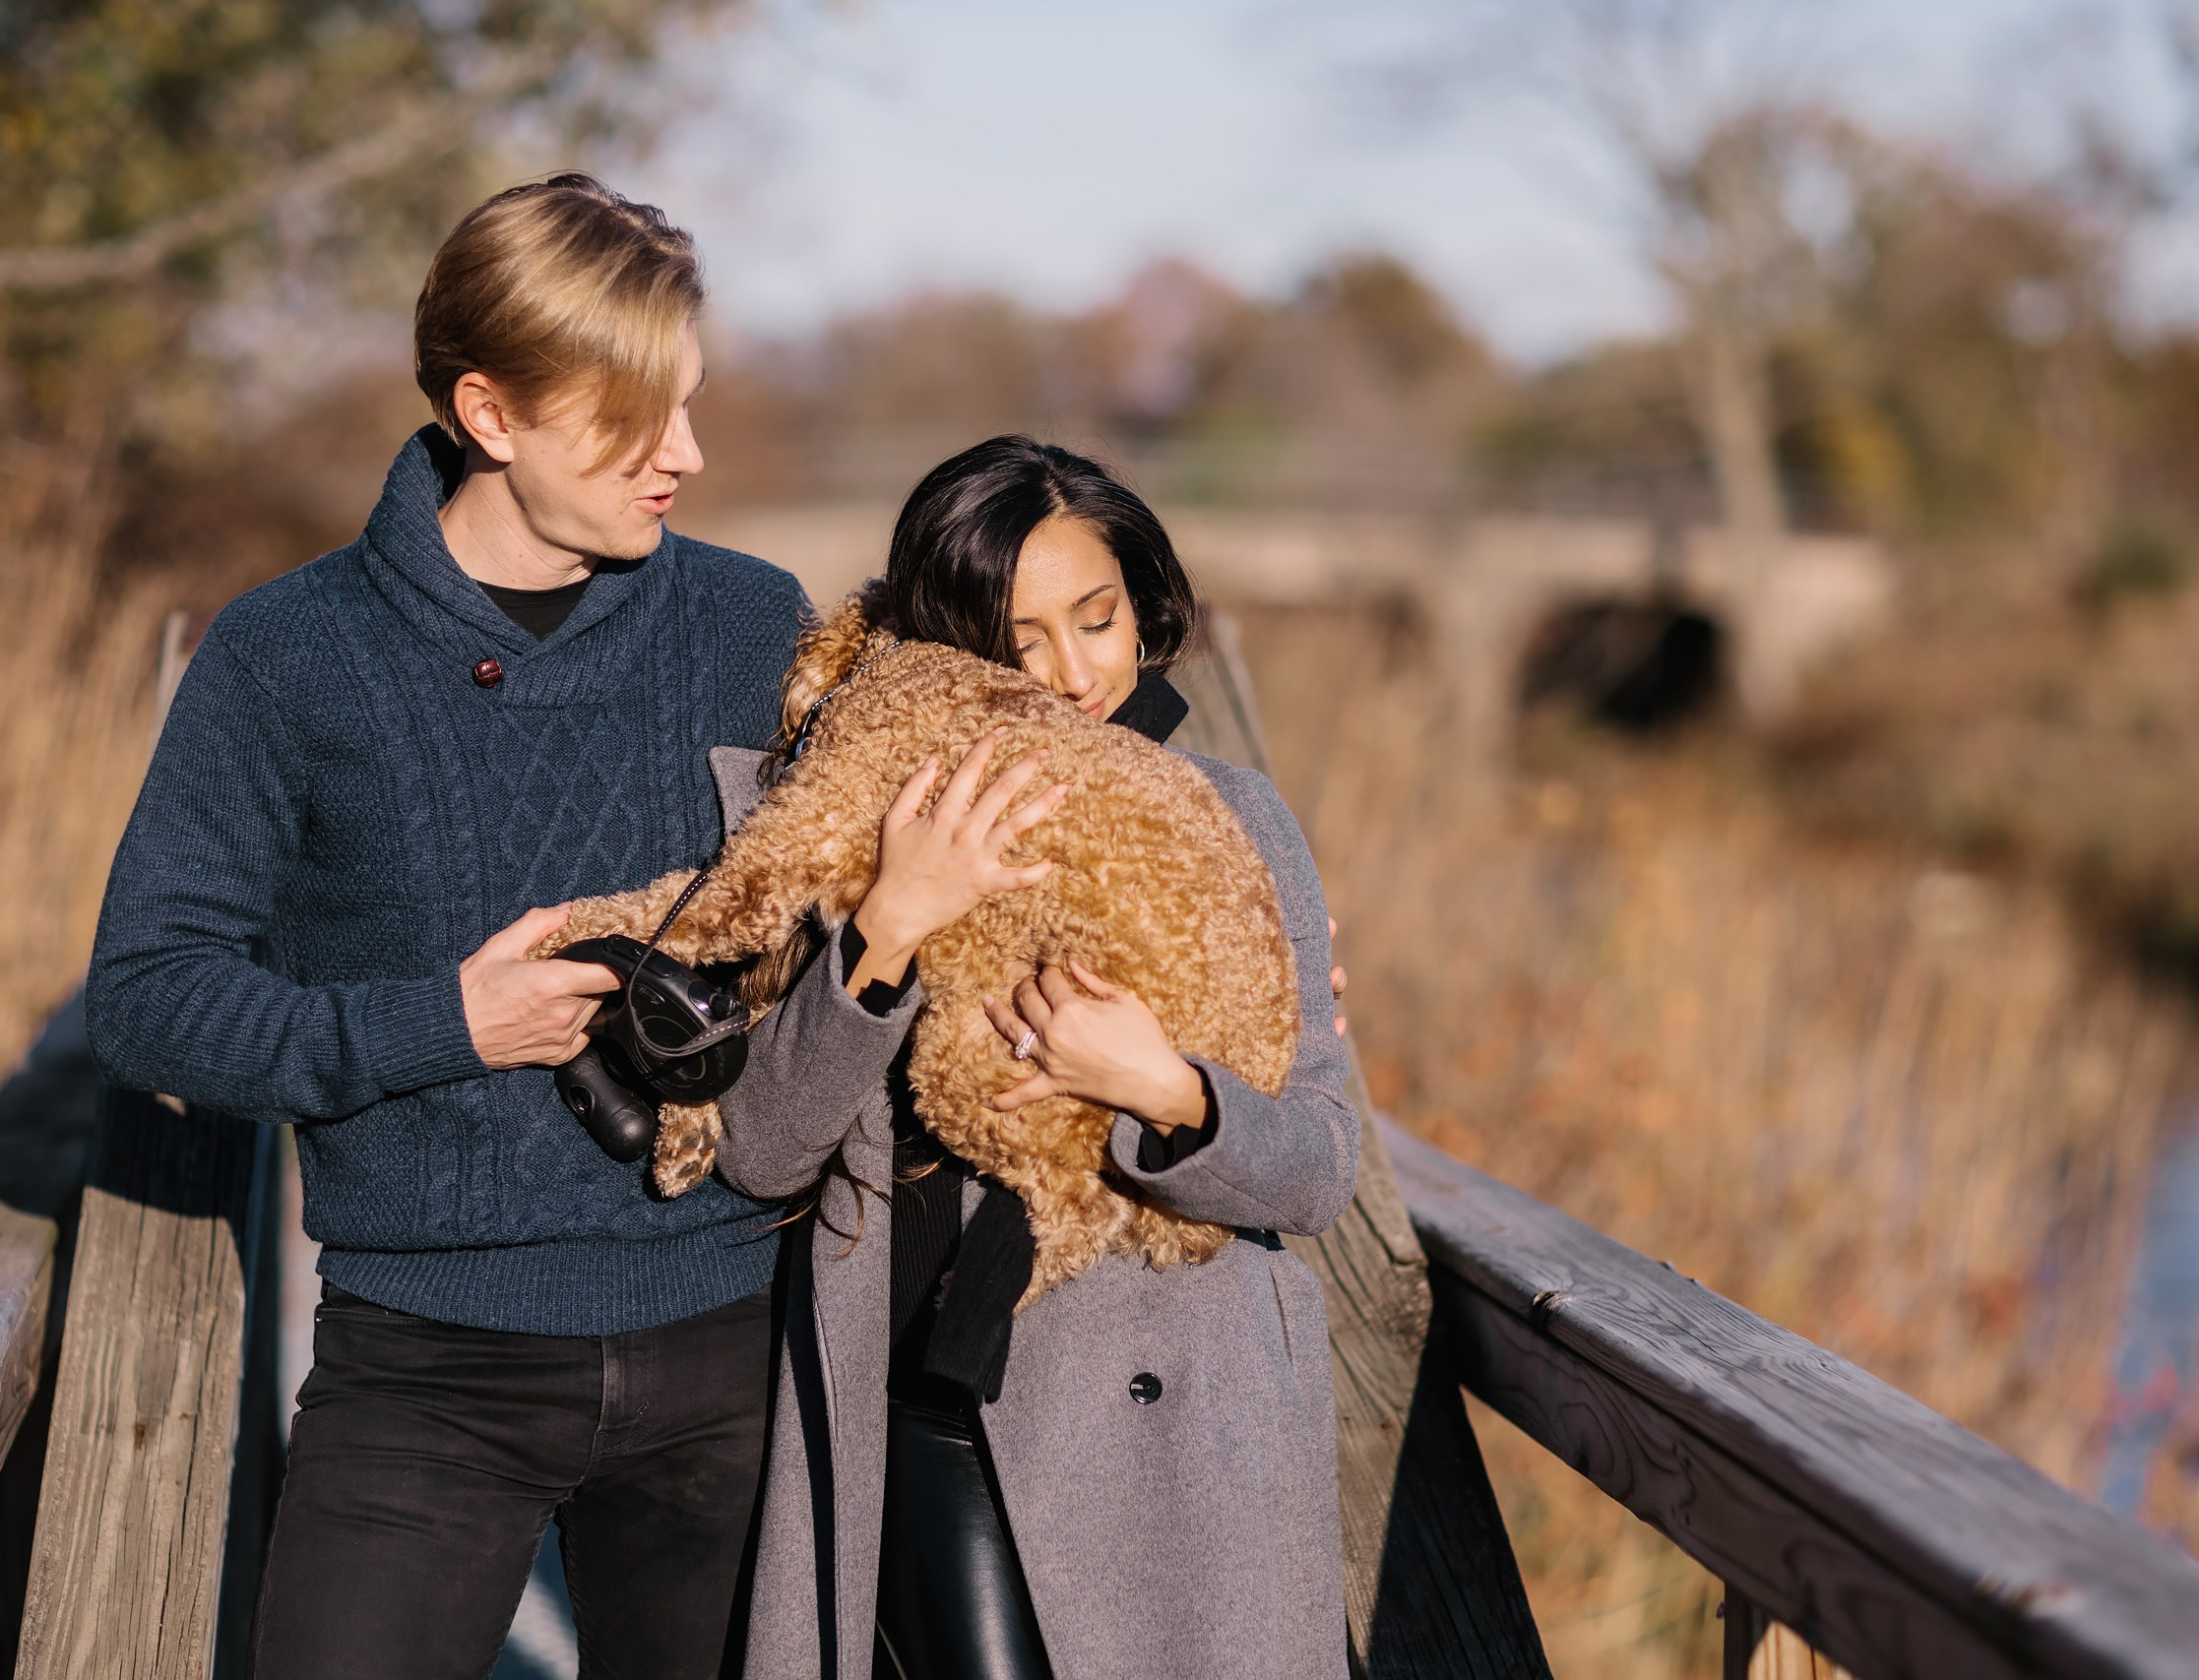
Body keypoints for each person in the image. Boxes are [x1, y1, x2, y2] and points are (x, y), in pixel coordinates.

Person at [84, 175, 806, 1680]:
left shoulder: (753, 623)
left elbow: (903, 856)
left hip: (732, 1346)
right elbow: (149, 995)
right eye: (632, 416)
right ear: (491, 411)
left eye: (687, 403)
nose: (686, 454)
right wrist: (441, 1023)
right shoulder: (290, 653)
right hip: (425, 1372)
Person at [713, 436, 1358, 1680]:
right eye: (1018, 643)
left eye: (1098, 618)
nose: (1072, 675)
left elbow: (1320, 1168)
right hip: (927, 1402)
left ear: (1145, 606)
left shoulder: (1232, 817)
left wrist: (1163, 1090)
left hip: (1178, 1443)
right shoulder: (867, 809)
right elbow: (761, 1149)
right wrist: (889, 923)